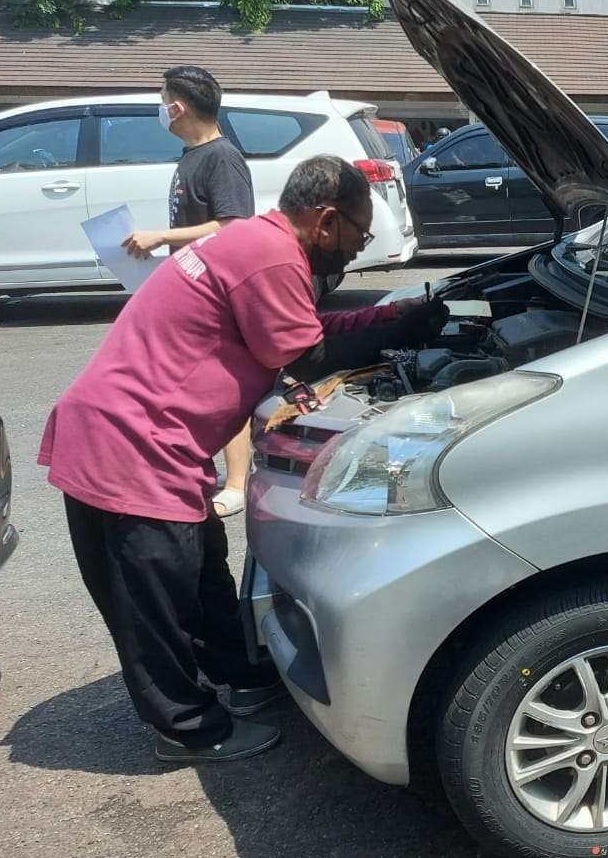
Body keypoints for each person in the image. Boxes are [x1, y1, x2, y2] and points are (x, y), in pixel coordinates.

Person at [40, 156, 447, 764]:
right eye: (358, 236)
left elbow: (304, 328)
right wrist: (406, 333)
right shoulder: (272, 254)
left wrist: (393, 316)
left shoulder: (258, 242)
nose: (356, 250)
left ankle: (244, 678)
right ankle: (187, 729)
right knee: (153, 601)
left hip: (155, 439)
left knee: (202, 568)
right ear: (327, 220)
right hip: (127, 443)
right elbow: (307, 357)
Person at [123, 66, 257, 519]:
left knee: (222, 384)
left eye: (163, 101)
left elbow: (234, 223)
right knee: (194, 384)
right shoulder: (191, 155)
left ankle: (238, 483)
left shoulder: (223, 157)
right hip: (190, 285)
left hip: (217, 291)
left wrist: (162, 237)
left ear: (177, 107)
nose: (161, 109)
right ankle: (201, 470)